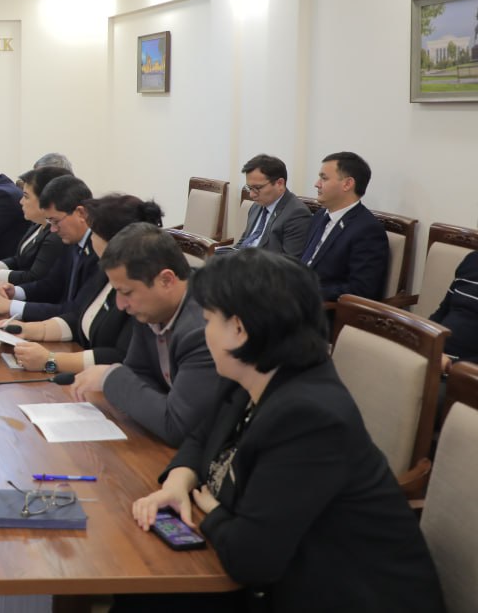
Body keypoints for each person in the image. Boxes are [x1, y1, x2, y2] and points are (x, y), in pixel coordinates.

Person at [127, 249, 445, 612]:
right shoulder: (252, 374)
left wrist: (213, 512)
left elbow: (251, 560)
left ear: (239, 330)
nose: (204, 331)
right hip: (274, 571)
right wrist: (177, 483)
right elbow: (201, 436)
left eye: (208, 320)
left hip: (343, 595)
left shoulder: (309, 417)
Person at [71, 222, 219, 446]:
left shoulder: (203, 328)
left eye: (126, 292)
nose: (120, 305)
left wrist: (111, 377)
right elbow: (138, 373)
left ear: (166, 280)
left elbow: (177, 426)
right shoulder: (151, 308)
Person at [9, 194, 163, 376]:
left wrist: (51, 360)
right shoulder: (103, 270)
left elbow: (121, 356)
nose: (90, 237)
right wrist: (30, 330)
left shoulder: (140, 285)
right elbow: (78, 314)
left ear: (114, 241)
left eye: (94, 233)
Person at [0, 175, 92, 320]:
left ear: (81, 213)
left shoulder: (93, 252)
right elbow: (51, 285)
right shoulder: (71, 241)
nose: (53, 229)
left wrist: (10, 306)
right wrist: (15, 291)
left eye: (55, 221)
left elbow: (74, 311)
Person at [299, 151, 389, 302]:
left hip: (322, 307)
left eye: (324, 178)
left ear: (347, 184)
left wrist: (308, 292)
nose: (317, 184)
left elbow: (361, 290)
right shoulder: (320, 216)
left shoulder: (367, 230)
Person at [0, 165, 70, 286]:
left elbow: (34, 277)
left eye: (26, 196)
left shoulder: (56, 234)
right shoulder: (37, 224)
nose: (21, 201)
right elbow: (19, 259)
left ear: (45, 200)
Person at [234, 154, 311, 256]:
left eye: (257, 188)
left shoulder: (297, 214)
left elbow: (289, 261)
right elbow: (244, 240)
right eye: (249, 188)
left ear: (279, 183)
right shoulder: (257, 206)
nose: (251, 195)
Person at [431, 250, 478, 365]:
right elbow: (442, 312)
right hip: (436, 355)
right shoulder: (472, 260)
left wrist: (451, 365)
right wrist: (421, 339)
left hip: (465, 369)